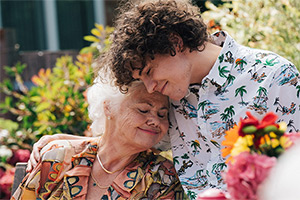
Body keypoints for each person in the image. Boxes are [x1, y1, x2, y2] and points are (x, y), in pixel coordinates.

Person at [27, 0, 300, 198]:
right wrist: (68, 141)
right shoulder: (172, 96)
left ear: (175, 43)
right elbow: (134, 135)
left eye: (148, 72)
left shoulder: (272, 76)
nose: (150, 86)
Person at [12, 79, 185, 199]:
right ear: (108, 107)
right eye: (143, 110)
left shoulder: (162, 176)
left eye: (162, 114)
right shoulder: (57, 157)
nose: (155, 121)